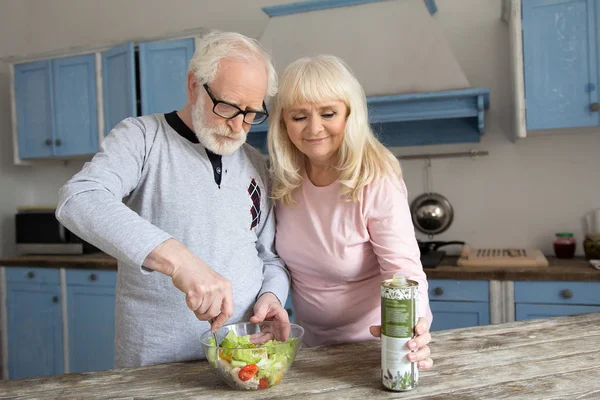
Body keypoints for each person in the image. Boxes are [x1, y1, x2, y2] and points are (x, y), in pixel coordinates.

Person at [56, 31, 290, 368]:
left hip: (242, 358)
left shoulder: (255, 162)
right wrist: (179, 259)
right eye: (227, 106)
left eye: (252, 113)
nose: (239, 126)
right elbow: (79, 198)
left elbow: (271, 259)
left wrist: (271, 297)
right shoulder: (141, 138)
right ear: (194, 86)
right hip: (155, 363)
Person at [267, 55, 433, 370]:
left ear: (350, 114)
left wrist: (414, 330)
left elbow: (403, 271)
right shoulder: (283, 178)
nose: (314, 128)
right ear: (283, 123)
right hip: (308, 350)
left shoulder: (377, 177)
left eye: (328, 113)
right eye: (299, 116)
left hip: (373, 351)